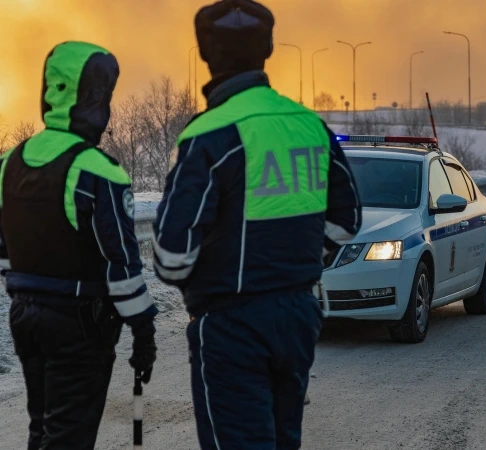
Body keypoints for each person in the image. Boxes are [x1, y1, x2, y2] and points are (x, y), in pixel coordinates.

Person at [152, 0, 361, 447]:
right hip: (299, 316)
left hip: (231, 324)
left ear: (206, 52)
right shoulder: (310, 126)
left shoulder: (206, 136)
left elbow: (171, 259)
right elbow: (348, 221)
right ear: (267, 48)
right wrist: (295, 260)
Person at [0, 41, 157, 449]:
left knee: (44, 427)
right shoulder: (97, 171)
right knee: (69, 435)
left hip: (25, 317)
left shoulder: (10, 162)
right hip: (80, 325)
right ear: (96, 99)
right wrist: (143, 331)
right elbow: (122, 269)